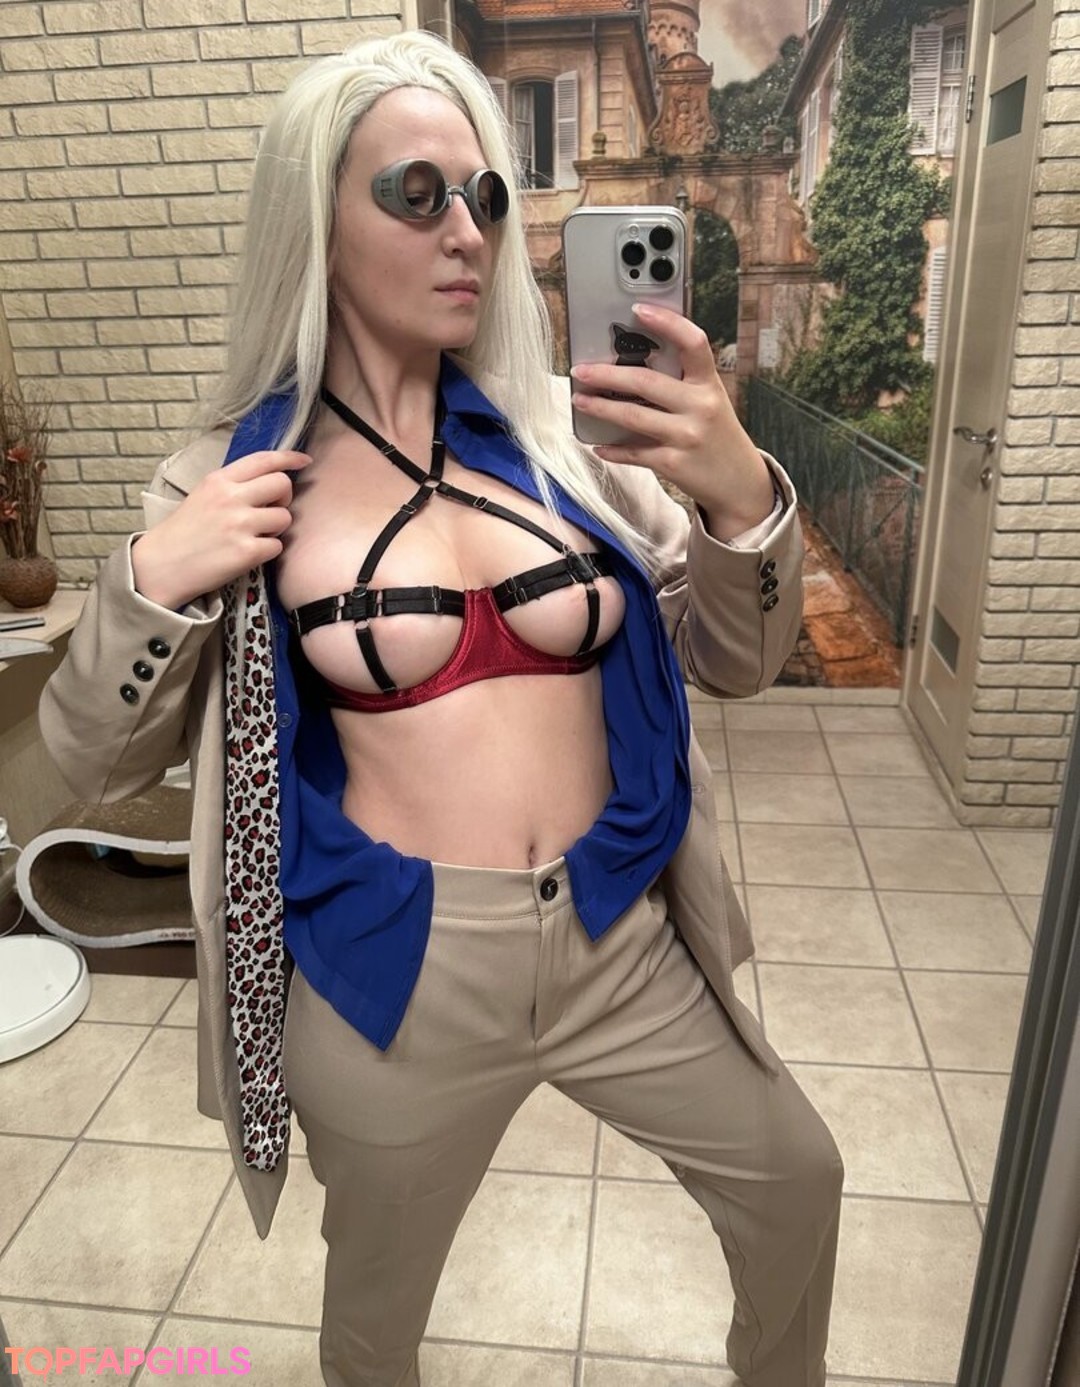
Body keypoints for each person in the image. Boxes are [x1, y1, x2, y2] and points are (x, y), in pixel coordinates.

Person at [40, 31, 843, 1387]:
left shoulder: (568, 447)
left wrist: (741, 499)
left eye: (483, 195)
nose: (466, 231)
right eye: (416, 194)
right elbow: (83, 764)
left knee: (797, 1181)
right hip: (396, 971)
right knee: (375, 1322)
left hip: (615, 930)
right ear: (315, 222)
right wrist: (152, 583)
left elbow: (739, 661)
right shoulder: (226, 483)